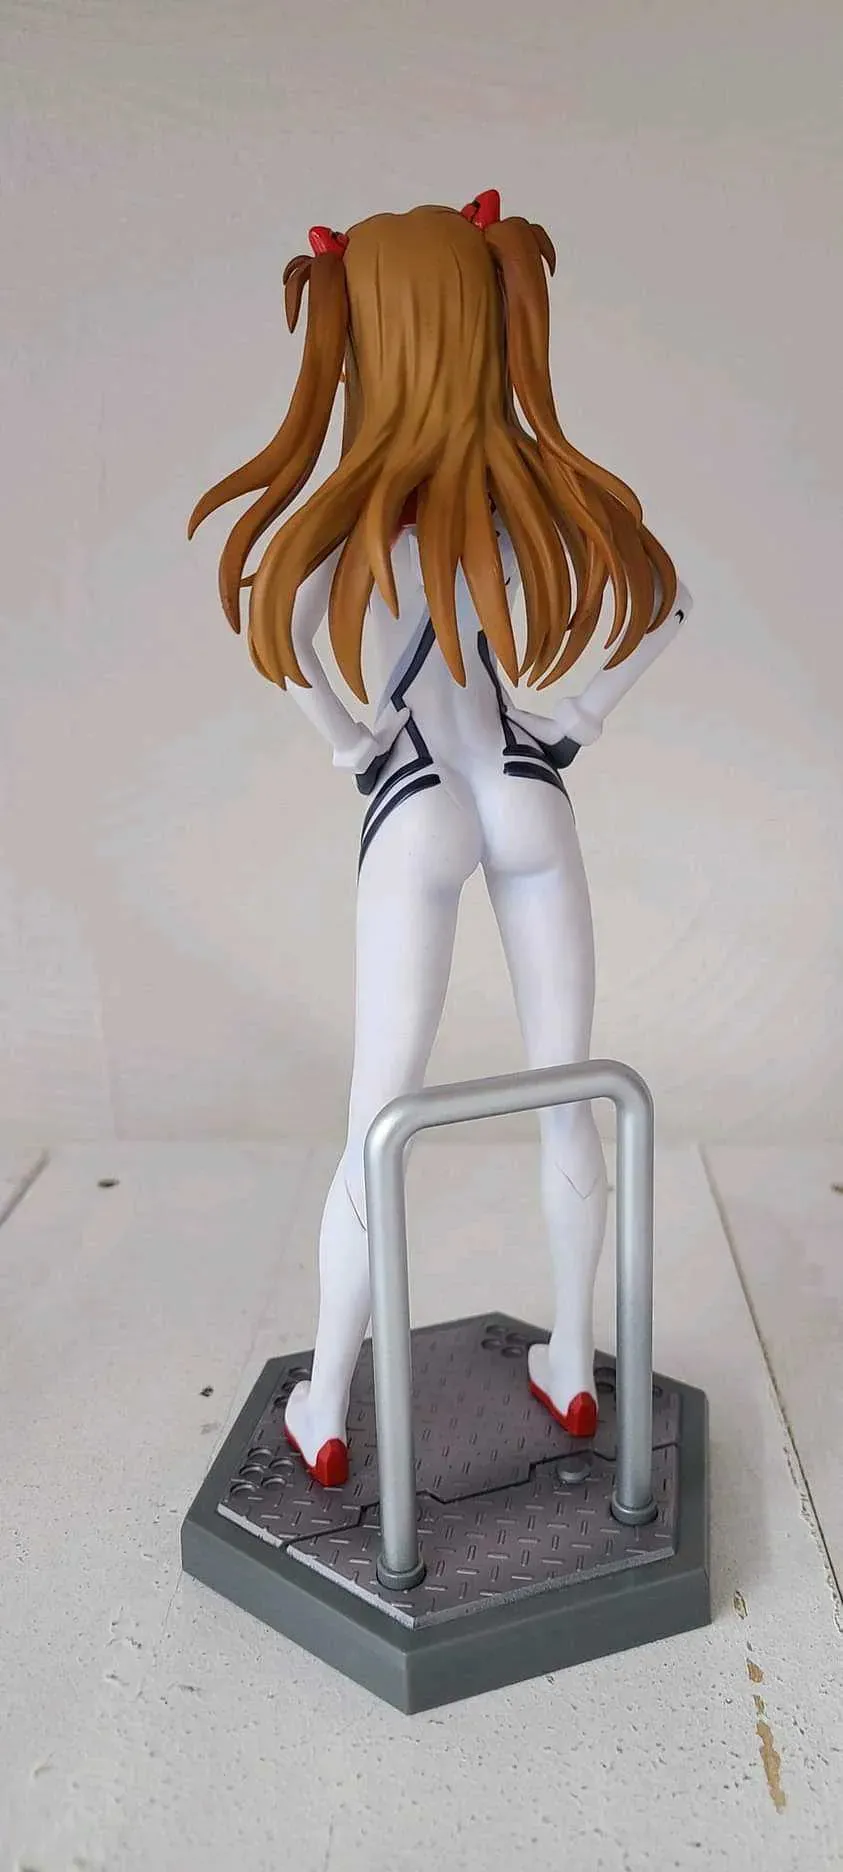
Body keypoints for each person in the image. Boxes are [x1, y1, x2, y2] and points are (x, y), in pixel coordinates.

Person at [190, 190, 691, 1487]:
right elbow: (664, 601)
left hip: (414, 794)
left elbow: (285, 638)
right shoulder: (519, 509)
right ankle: (569, 1366)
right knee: (569, 1097)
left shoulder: (350, 528)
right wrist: (571, 715)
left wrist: (352, 745)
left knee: (379, 1119)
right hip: (526, 783)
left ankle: (327, 1403)